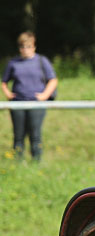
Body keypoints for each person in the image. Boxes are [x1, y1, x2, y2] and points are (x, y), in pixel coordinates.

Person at [3, 32, 58, 161]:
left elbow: (53, 80)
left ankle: (36, 160)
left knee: (35, 134)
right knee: (18, 134)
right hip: (17, 103)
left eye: (28, 46)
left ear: (34, 46)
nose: (25, 50)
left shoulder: (41, 61)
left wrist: (44, 95)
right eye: (22, 47)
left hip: (36, 103)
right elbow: (4, 81)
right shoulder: (13, 63)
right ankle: (17, 160)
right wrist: (8, 94)